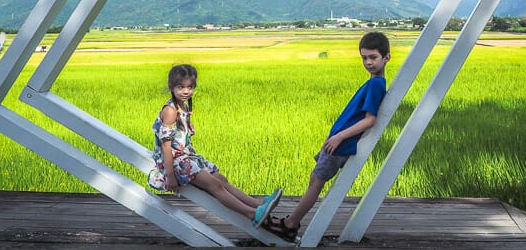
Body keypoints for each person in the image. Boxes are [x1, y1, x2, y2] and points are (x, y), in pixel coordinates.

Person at [264, 31, 391, 242]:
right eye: (364, 58)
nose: (368, 62)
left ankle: (290, 224)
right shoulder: (373, 82)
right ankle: (291, 221)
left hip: (341, 144)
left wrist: (339, 137)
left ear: (386, 58)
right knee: (314, 179)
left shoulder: (376, 84)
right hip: (336, 143)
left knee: (316, 183)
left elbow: (370, 120)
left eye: (373, 57)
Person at [148, 63, 282, 227]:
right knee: (215, 185)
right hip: (174, 162)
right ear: (171, 87)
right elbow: (165, 146)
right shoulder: (170, 110)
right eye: (181, 87)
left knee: (220, 179)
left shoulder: (183, 107)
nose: (186, 91)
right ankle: (252, 213)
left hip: (185, 157)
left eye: (190, 87)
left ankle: (257, 203)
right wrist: (170, 175)